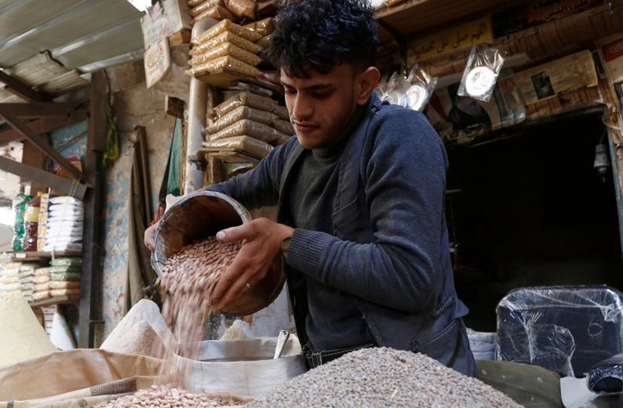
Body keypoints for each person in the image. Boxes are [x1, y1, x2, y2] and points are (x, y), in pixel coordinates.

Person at [145, 0, 475, 376]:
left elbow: (408, 277)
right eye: (289, 90)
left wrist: (286, 240)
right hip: (329, 374)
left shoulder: (399, 137)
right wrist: (175, 217)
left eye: (319, 93)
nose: (299, 111)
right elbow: (234, 190)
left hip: (414, 373)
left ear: (364, 84)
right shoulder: (293, 156)